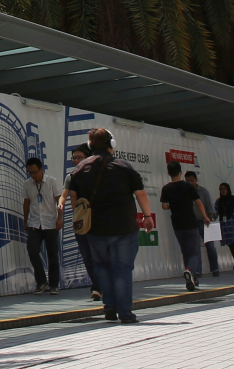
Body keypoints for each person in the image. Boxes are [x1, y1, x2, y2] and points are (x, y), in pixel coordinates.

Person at [66, 128, 154, 323]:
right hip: (124, 227)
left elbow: (74, 199)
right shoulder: (124, 167)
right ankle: (125, 313)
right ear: (112, 144)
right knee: (122, 269)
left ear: (90, 146)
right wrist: (147, 216)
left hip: (95, 229)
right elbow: (140, 193)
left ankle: (109, 307)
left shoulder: (80, 169)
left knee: (102, 266)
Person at [161, 161, 210, 291]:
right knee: (195, 252)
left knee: (185, 252)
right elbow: (198, 202)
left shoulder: (166, 188)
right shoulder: (188, 186)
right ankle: (190, 271)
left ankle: (193, 279)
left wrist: (174, 205)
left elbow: (164, 206)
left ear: (168, 173)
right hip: (191, 222)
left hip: (177, 224)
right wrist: (205, 216)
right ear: (181, 172)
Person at [66, 146, 102, 301]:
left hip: (88, 220)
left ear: (88, 157)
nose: (76, 160)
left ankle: (98, 287)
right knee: (92, 255)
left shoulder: (76, 176)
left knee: (91, 255)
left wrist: (78, 214)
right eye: (74, 158)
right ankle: (98, 287)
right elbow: (69, 195)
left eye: (79, 157)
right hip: (90, 220)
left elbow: (73, 198)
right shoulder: (74, 176)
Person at [22, 157, 62, 295]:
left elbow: (59, 202)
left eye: (35, 172)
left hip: (50, 222)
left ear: (41, 170)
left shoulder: (52, 182)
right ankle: (41, 282)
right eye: (30, 173)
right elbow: (26, 203)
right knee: (32, 250)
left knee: (52, 254)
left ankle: (54, 284)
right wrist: (25, 220)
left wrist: (59, 219)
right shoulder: (27, 184)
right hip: (35, 223)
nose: (33, 175)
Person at [184, 171, 220, 278]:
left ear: (196, 180)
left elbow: (210, 207)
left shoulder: (203, 191)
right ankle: (197, 271)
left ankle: (215, 268)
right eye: (188, 181)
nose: (190, 183)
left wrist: (209, 218)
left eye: (192, 180)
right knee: (195, 248)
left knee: (210, 246)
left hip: (204, 222)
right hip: (191, 223)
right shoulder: (185, 193)